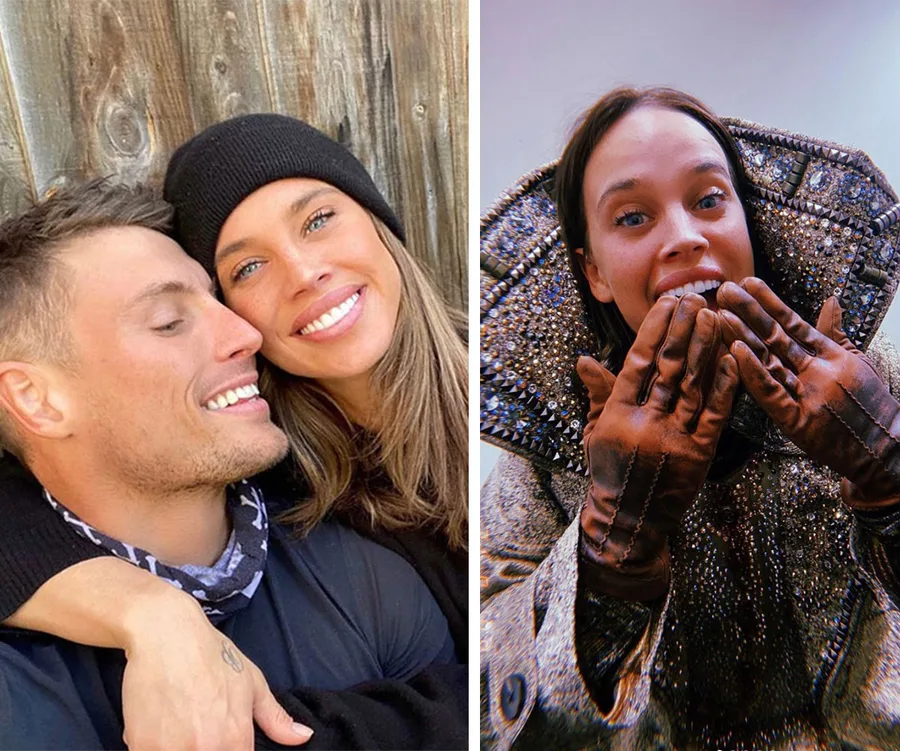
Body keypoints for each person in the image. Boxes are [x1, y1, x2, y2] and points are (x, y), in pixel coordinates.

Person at [0, 116, 467, 750]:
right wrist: (151, 612)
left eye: (320, 218)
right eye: (246, 269)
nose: (303, 272)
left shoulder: (545, 374)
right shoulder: (293, 479)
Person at [480, 86, 900, 749]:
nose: (684, 237)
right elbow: (484, 705)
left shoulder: (872, 385)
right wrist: (611, 552)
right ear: (592, 269)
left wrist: (891, 477)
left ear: (746, 224)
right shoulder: (545, 464)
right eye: (632, 217)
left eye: (708, 201)